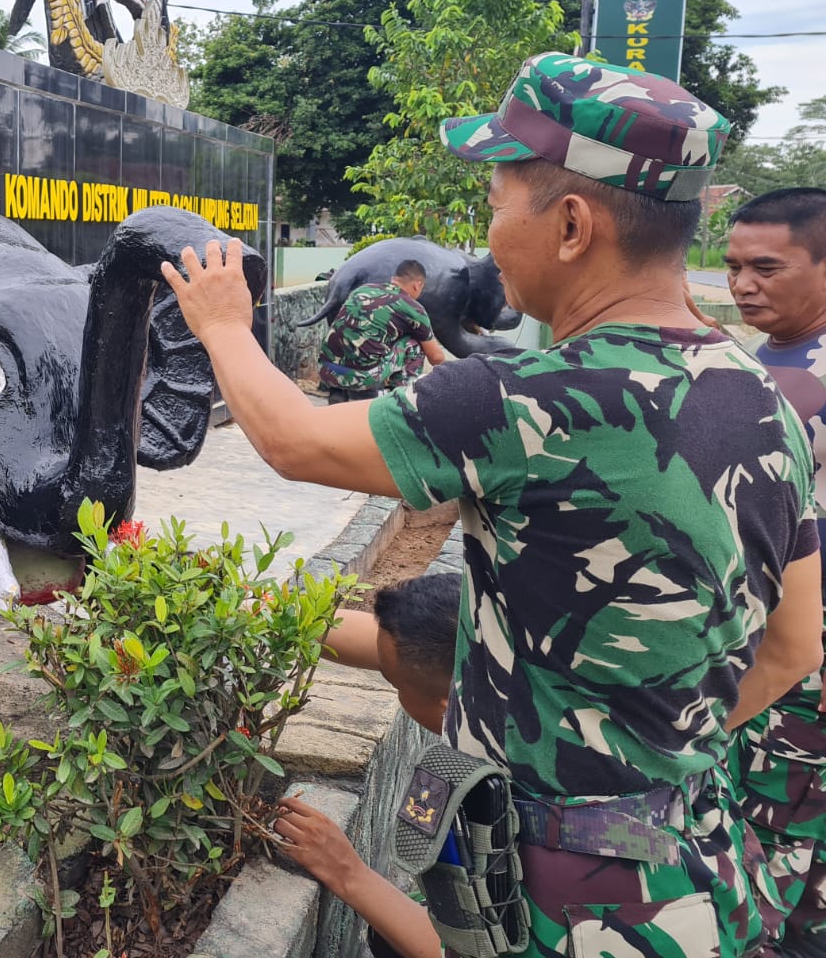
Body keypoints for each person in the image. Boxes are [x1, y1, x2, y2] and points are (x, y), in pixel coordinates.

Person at [162, 52, 823, 958]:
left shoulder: (521, 399)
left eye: (497, 204)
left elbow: (293, 440)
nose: (490, 234)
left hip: (552, 903)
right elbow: (793, 646)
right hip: (698, 871)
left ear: (571, 223)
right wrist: (645, 758)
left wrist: (225, 326)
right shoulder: (767, 403)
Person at [722, 187, 826, 957]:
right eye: (732, 267)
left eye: (766, 268)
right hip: (787, 636)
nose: (742, 284)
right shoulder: (778, 358)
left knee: (770, 835)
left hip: (801, 661)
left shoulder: (802, 384)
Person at [275, 574, 459, 958]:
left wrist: (347, 872)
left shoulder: (525, 798)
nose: (392, 681)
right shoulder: (509, 670)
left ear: (446, 705)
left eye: (395, 684)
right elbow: (390, 646)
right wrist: (260, 609)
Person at [317, 259, 449, 403]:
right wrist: (452, 375)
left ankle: (338, 393)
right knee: (414, 345)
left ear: (393, 279)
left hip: (326, 370)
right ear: (417, 285)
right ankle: (400, 401)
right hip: (360, 378)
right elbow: (436, 357)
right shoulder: (413, 309)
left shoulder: (364, 290)